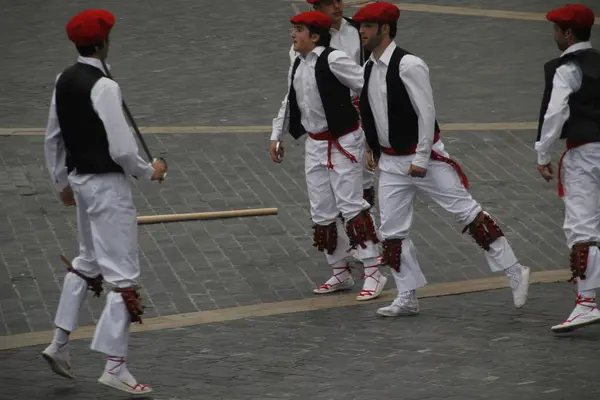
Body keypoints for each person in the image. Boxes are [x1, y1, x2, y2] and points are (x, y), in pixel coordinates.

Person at [352, 2, 530, 317]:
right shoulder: (367, 67)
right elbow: (372, 111)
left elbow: (426, 113)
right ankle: (407, 295)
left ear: (385, 29)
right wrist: (371, 147)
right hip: (391, 163)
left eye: (367, 25)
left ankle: (514, 269)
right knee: (392, 231)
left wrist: (421, 156)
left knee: (467, 212)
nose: (361, 31)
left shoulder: (409, 64)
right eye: (361, 25)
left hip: (426, 159)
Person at [42, 9, 166, 395]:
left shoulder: (65, 78)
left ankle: (59, 344)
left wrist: (61, 181)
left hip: (80, 182)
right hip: (108, 187)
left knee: (87, 262)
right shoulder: (105, 87)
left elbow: (53, 137)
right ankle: (115, 365)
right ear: (103, 42)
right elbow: (123, 149)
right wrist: (152, 170)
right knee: (122, 275)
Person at [270, 11, 387, 301]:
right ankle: (340, 271)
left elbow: (367, 84)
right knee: (321, 209)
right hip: (316, 143)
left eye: (298, 30)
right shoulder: (297, 62)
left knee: (351, 205)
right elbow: (289, 100)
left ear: (314, 36)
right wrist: (277, 134)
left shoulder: (333, 59)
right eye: (293, 29)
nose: (293, 35)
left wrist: (373, 133)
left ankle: (374, 271)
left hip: (344, 141)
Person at [534, 4, 600, 333]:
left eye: (556, 30)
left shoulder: (566, 67)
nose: (554, 35)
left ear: (568, 34)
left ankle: (586, 302)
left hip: (584, 154)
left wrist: (543, 152)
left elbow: (555, 111)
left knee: (582, 227)